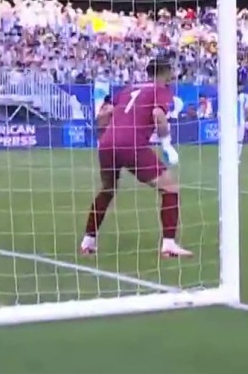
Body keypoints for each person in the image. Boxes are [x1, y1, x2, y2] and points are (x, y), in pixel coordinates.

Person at [81, 54, 191, 259]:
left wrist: (105, 135)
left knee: (107, 190)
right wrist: (166, 143)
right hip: (131, 144)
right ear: (166, 73)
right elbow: (158, 116)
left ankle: (88, 241)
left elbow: (103, 116)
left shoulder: (128, 89)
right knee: (170, 188)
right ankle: (168, 245)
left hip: (107, 144)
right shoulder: (161, 90)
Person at [236, 67, 248, 164]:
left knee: (239, 140)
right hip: (235, 121)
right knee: (236, 140)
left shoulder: (245, 96)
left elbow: (247, 110)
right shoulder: (242, 96)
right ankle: (234, 156)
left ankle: (236, 157)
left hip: (240, 121)